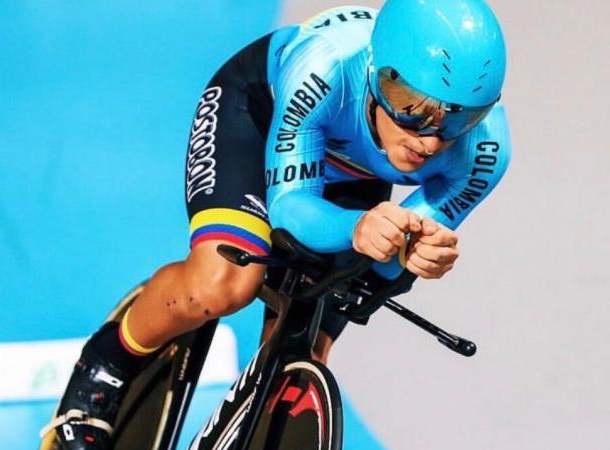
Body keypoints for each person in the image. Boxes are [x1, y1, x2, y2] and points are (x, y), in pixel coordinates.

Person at [41, 0, 510, 448]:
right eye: (411, 106)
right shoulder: (324, 67)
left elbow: (384, 269)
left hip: (351, 176)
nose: (429, 140)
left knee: (307, 345)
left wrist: (415, 256)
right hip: (260, 118)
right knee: (224, 284)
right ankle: (108, 363)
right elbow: (289, 209)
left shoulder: (485, 151)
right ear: (376, 73)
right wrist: (357, 229)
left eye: (459, 119)